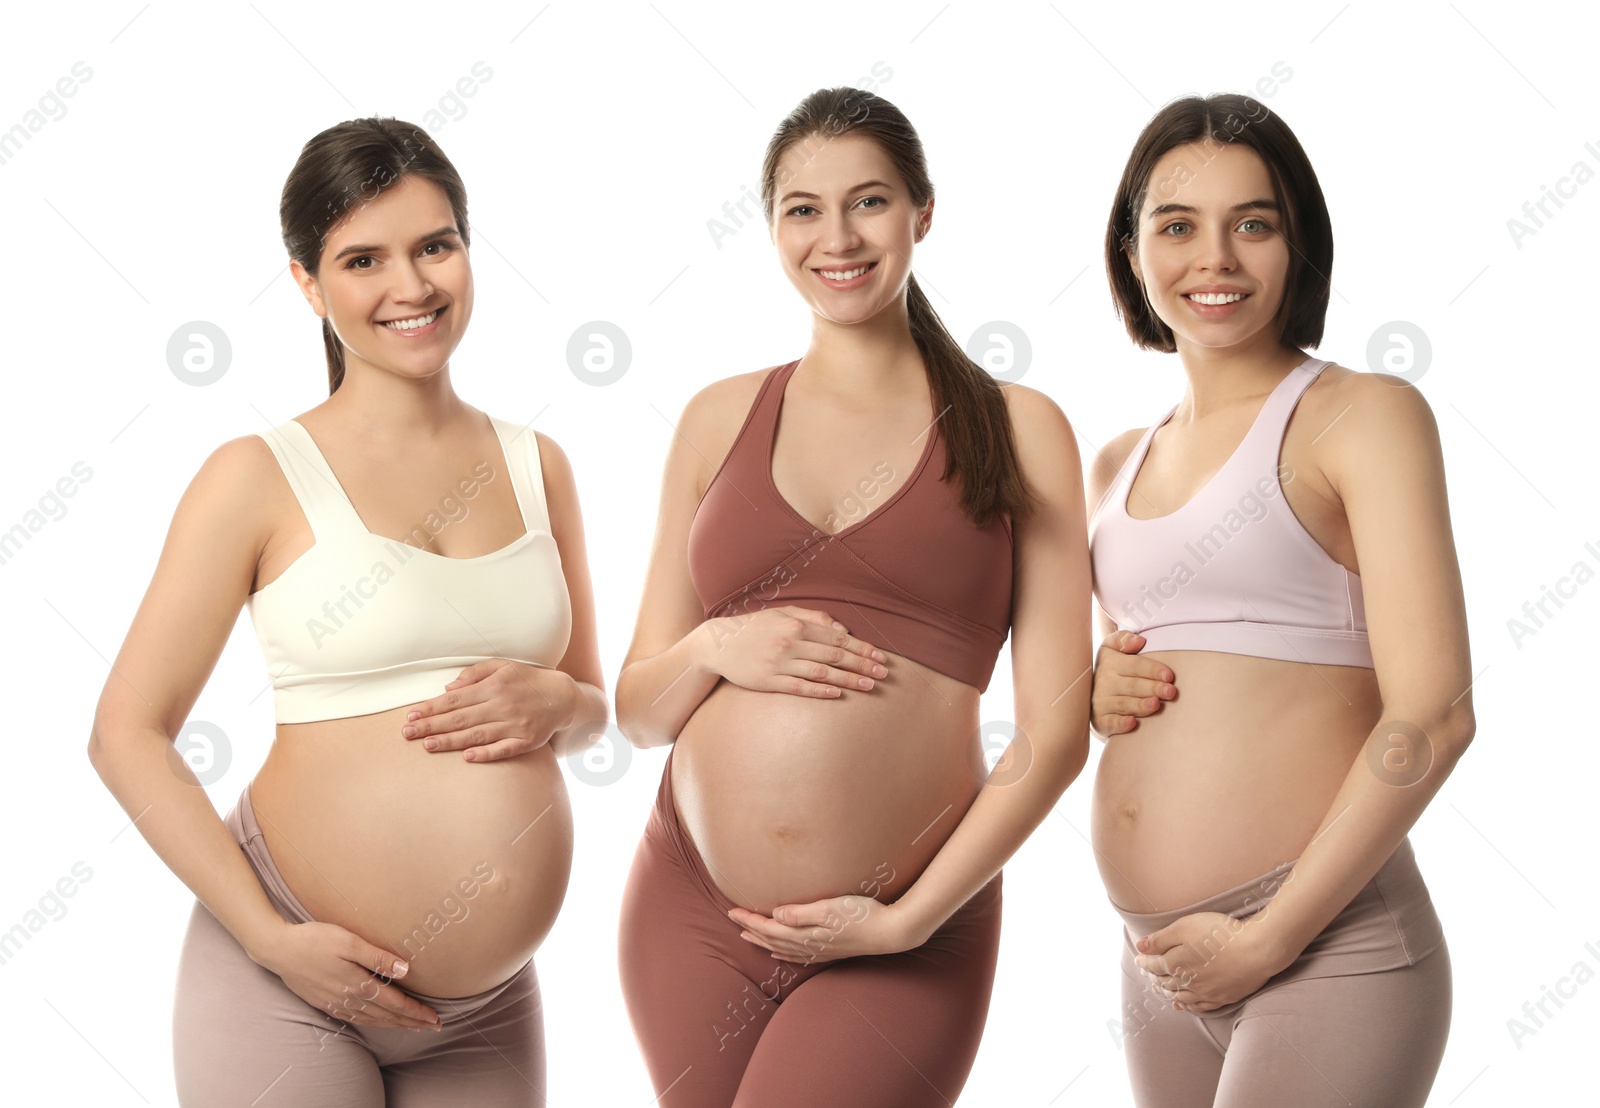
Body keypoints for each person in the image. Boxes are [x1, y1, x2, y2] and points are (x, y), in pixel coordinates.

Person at [87, 117, 606, 1107]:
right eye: (363, 259)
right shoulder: (255, 477)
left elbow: (590, 702)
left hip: (486, 1009)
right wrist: (266, 935)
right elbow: (126, 733)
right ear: (308, 284)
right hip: (288, 982)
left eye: (434, 246)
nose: (410, 288)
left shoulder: (540, 465)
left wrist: (559, 704)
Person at [613, 87, 1092, 1106]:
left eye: (868, 202)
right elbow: (638, 710)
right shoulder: (717, 415)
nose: (836, 237)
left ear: (923, 212)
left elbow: (1055, 732)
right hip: (692, 909)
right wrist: (711, 650)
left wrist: (907, 919)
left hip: (906, 923)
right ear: (772, 226)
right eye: (802, 208)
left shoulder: (1019, 426)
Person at [1085, 94, 1472, 1107]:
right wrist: (1096, 686)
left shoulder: (1362, 416)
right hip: (1158, 965)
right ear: (1131, 251)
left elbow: (1433, 712)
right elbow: (1150, 672)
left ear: (1297, 244)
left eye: (1251, 223)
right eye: (1176, 225)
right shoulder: (1115, 466)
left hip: (1325, 942)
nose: (1213, 257)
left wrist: (1271, 936)